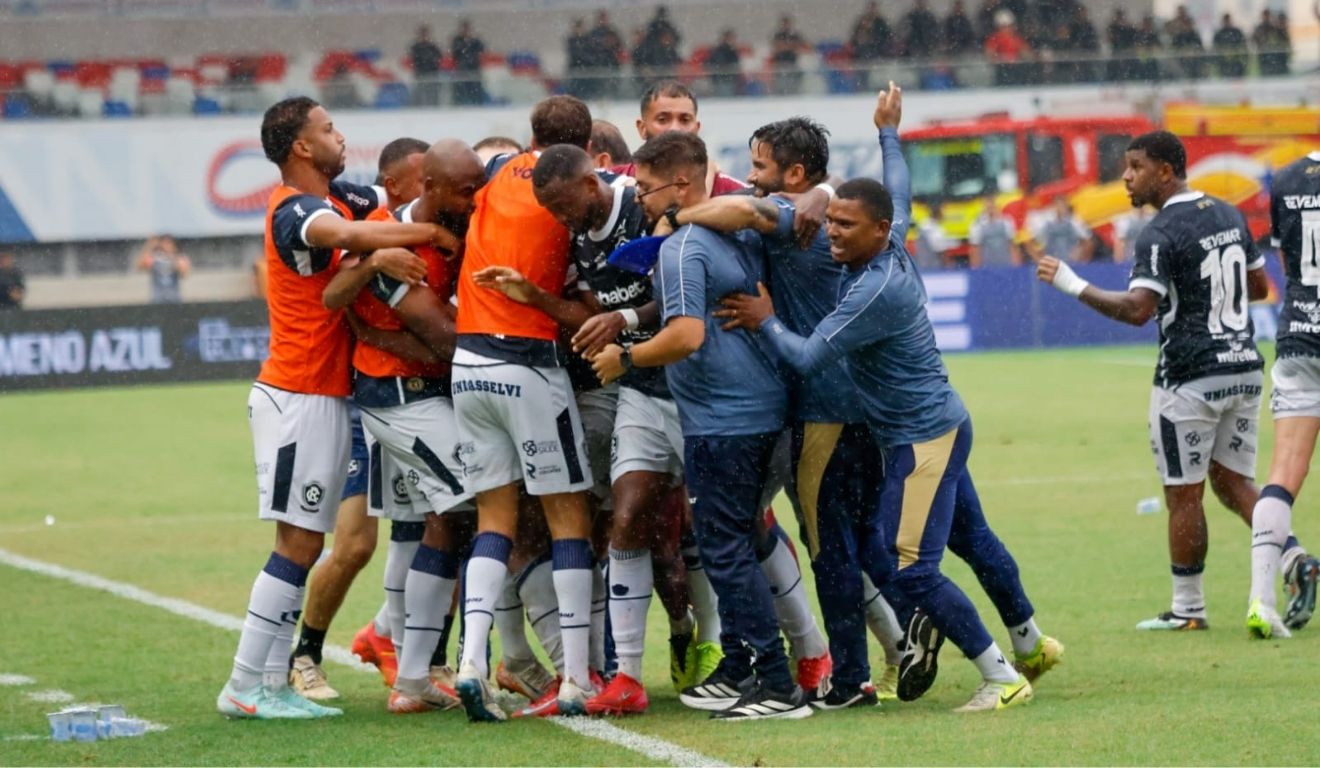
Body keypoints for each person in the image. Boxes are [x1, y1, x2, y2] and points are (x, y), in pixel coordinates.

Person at [714, 84, 1038, 713]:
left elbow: (808, 356)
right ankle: (1008, 643)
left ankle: (999, 673)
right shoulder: (888, 239)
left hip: (924, 436)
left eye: (843, 225)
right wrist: (888, 132)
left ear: (877, 230)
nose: (830, 234)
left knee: (907, 566)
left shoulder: (871, 291)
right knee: (910, 550)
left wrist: (766, 317)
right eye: (830, 221)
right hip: (912, 432)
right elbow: (894, 185)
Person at [657, 116, 905, 709]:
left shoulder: (795, 220)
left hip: (823, 408)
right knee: (844, 540)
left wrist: (679, 216)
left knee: (828, 549)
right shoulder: (825, 210)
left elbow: (744, 212)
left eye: (760, 167)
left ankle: (846, 676)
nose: (749, 179)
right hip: (836, 405)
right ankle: (897, 650)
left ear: (794, 173)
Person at [216, 96, 446, 720]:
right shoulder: (297, 211)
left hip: (320, 394)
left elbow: (390, 204)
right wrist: (427, 235)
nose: (339, 137)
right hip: (297, 395)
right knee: (296, 545)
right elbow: (347, 235)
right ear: (300, 147)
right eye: (328, 129)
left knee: (304, 544)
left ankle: (271, 683)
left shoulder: (343, 193)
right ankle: (245, 685)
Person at [1035, 130, 1306, 631]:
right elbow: (1260, 285)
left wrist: (1071, 283)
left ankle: (1188, 610)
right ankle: (1292, 557)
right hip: (1243, 367)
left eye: (1135, 166)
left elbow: (1139, 309)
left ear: (1165, 171)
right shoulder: (1228, 212)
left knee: (1184, 494)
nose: (1126, 176)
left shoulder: (1159, 232)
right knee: (1233, 481)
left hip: (1189, 376)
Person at [592, 130, 811, 721]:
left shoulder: (685, 245)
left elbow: (686, 335)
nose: (636, 198)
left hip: (726, 419)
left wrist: (627, 358)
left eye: (644, 186)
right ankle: (744, 667)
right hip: (759, 409)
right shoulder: (729, 231)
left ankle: (776, 683)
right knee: (735, 544)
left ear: (681, 184)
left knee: (726, 552)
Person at [450, 95, 599, 722]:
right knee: (569, 520)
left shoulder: (495, 175)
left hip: (467, 365)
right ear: (585, 150)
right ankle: (576, 678)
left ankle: (472, 663)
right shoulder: (577, 191)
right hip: (528, 363)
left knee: (493, 521)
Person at [323, 139, 487, 711]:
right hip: (401, 400)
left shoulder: (454, 228)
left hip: (421, 392)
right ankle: (420, 671)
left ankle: (411, 675)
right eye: (464, 191)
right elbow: (443, 338)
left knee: (431, 526)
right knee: (470, 509)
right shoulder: (386, 236)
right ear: (428, 188)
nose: (474, 201)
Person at [288, 136, 431, 701]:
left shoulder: (436, 220)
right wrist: (373, 259)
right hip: (364, 398)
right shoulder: (367, 217)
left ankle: (393, 639)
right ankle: (305, 652)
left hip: (419, 397)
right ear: (395, 185)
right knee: (354, 544)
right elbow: (334, 295)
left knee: (427, 530)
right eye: (425, 180)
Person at [1244, 149, 1320, 638]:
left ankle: (1262, 601)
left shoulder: (1290, 177)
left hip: (1300, 333)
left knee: (1282, 473)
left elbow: (1288, 259)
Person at [1029, 198, 1092, 262]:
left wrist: (1083, 260)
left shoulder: (1075, 221)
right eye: (1059, 206)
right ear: (1053, 207)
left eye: (1063, 206)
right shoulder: (1044, 222)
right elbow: (1031, 242)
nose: (1062, 208)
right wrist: (1039, 260)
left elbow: (1088, 241)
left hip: (1072, 261)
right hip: (1051, 261)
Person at [136, 235, 190, 304]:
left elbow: (185, 274)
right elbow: (139, 267)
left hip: (174, 299)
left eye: (169, 243)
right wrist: (149, 246)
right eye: (164, 243)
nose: (167, 246)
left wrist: (174, 261)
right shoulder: (155, 258)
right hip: (157, 299)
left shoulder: (178, 257)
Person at [968, 196, 1021, 267]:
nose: (990, 210)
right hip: (987, 267)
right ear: (984, 208)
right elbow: (975, 249)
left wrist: (1016, 266)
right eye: (988, 208)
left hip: (1006, 265)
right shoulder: (976, 225)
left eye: (992, 207)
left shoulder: (1006, 221)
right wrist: (976, 269)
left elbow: (1012, 245)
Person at [770, 14, 809, 96]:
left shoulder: (795, 35)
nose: (786, 25)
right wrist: (790, 46)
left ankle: (794, 95)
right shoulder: (778, 35)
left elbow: (801, 47)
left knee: (796, 81)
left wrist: (787, 46)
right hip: (780, 63)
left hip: (793, 62)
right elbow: (776, 47)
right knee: (781, 82)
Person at [450, 20, 487, 106]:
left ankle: (477, 104)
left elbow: (481, 50)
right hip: (462, 70)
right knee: (461, 90)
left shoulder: (475, 41)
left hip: (474, 70)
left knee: (475, 89)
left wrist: (471, 42)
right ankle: (461, 105)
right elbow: (456, 54)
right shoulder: (457, 41)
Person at [409, 25, 444, 107]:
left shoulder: (433, 47)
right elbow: (414, 60)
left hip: (432, 74)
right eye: (423, 34)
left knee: (433, 94)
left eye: (425, 34)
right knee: (420, 94)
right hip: (420, 74)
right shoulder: (415, 47)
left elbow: (439, 58)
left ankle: (433, 108)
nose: (424, 36)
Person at [705, 29, 743, 98]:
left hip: (730, 79)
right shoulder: (719, 50)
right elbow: (716, 64)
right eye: (730, 38)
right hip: (721, 79)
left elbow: (736, 64)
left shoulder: (733, 51)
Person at [1212, 13, 1249, 77]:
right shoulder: (1219, 34)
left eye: (1228, 20)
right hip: (1224, 64)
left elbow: (1244, 45)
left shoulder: (1237, 32)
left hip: (1236, 63)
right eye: (1225, 20)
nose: (1227, 22)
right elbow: (1215, 48)